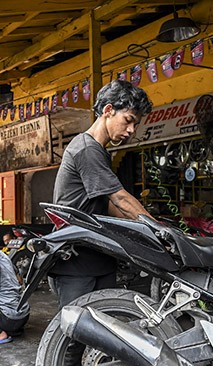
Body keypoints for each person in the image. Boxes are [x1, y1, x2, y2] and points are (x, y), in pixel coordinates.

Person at [49, 79, 154, 309]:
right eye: (128, 121)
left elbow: (107, 204)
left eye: (136, 125)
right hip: (77, 260)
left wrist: (139, 231)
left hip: (98, 255)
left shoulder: (100, 152)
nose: (131, 131)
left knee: (104, 330)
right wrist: (157, 229)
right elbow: (120, 198)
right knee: (75, 335)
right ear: (108, 111)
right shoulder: (86, 149)